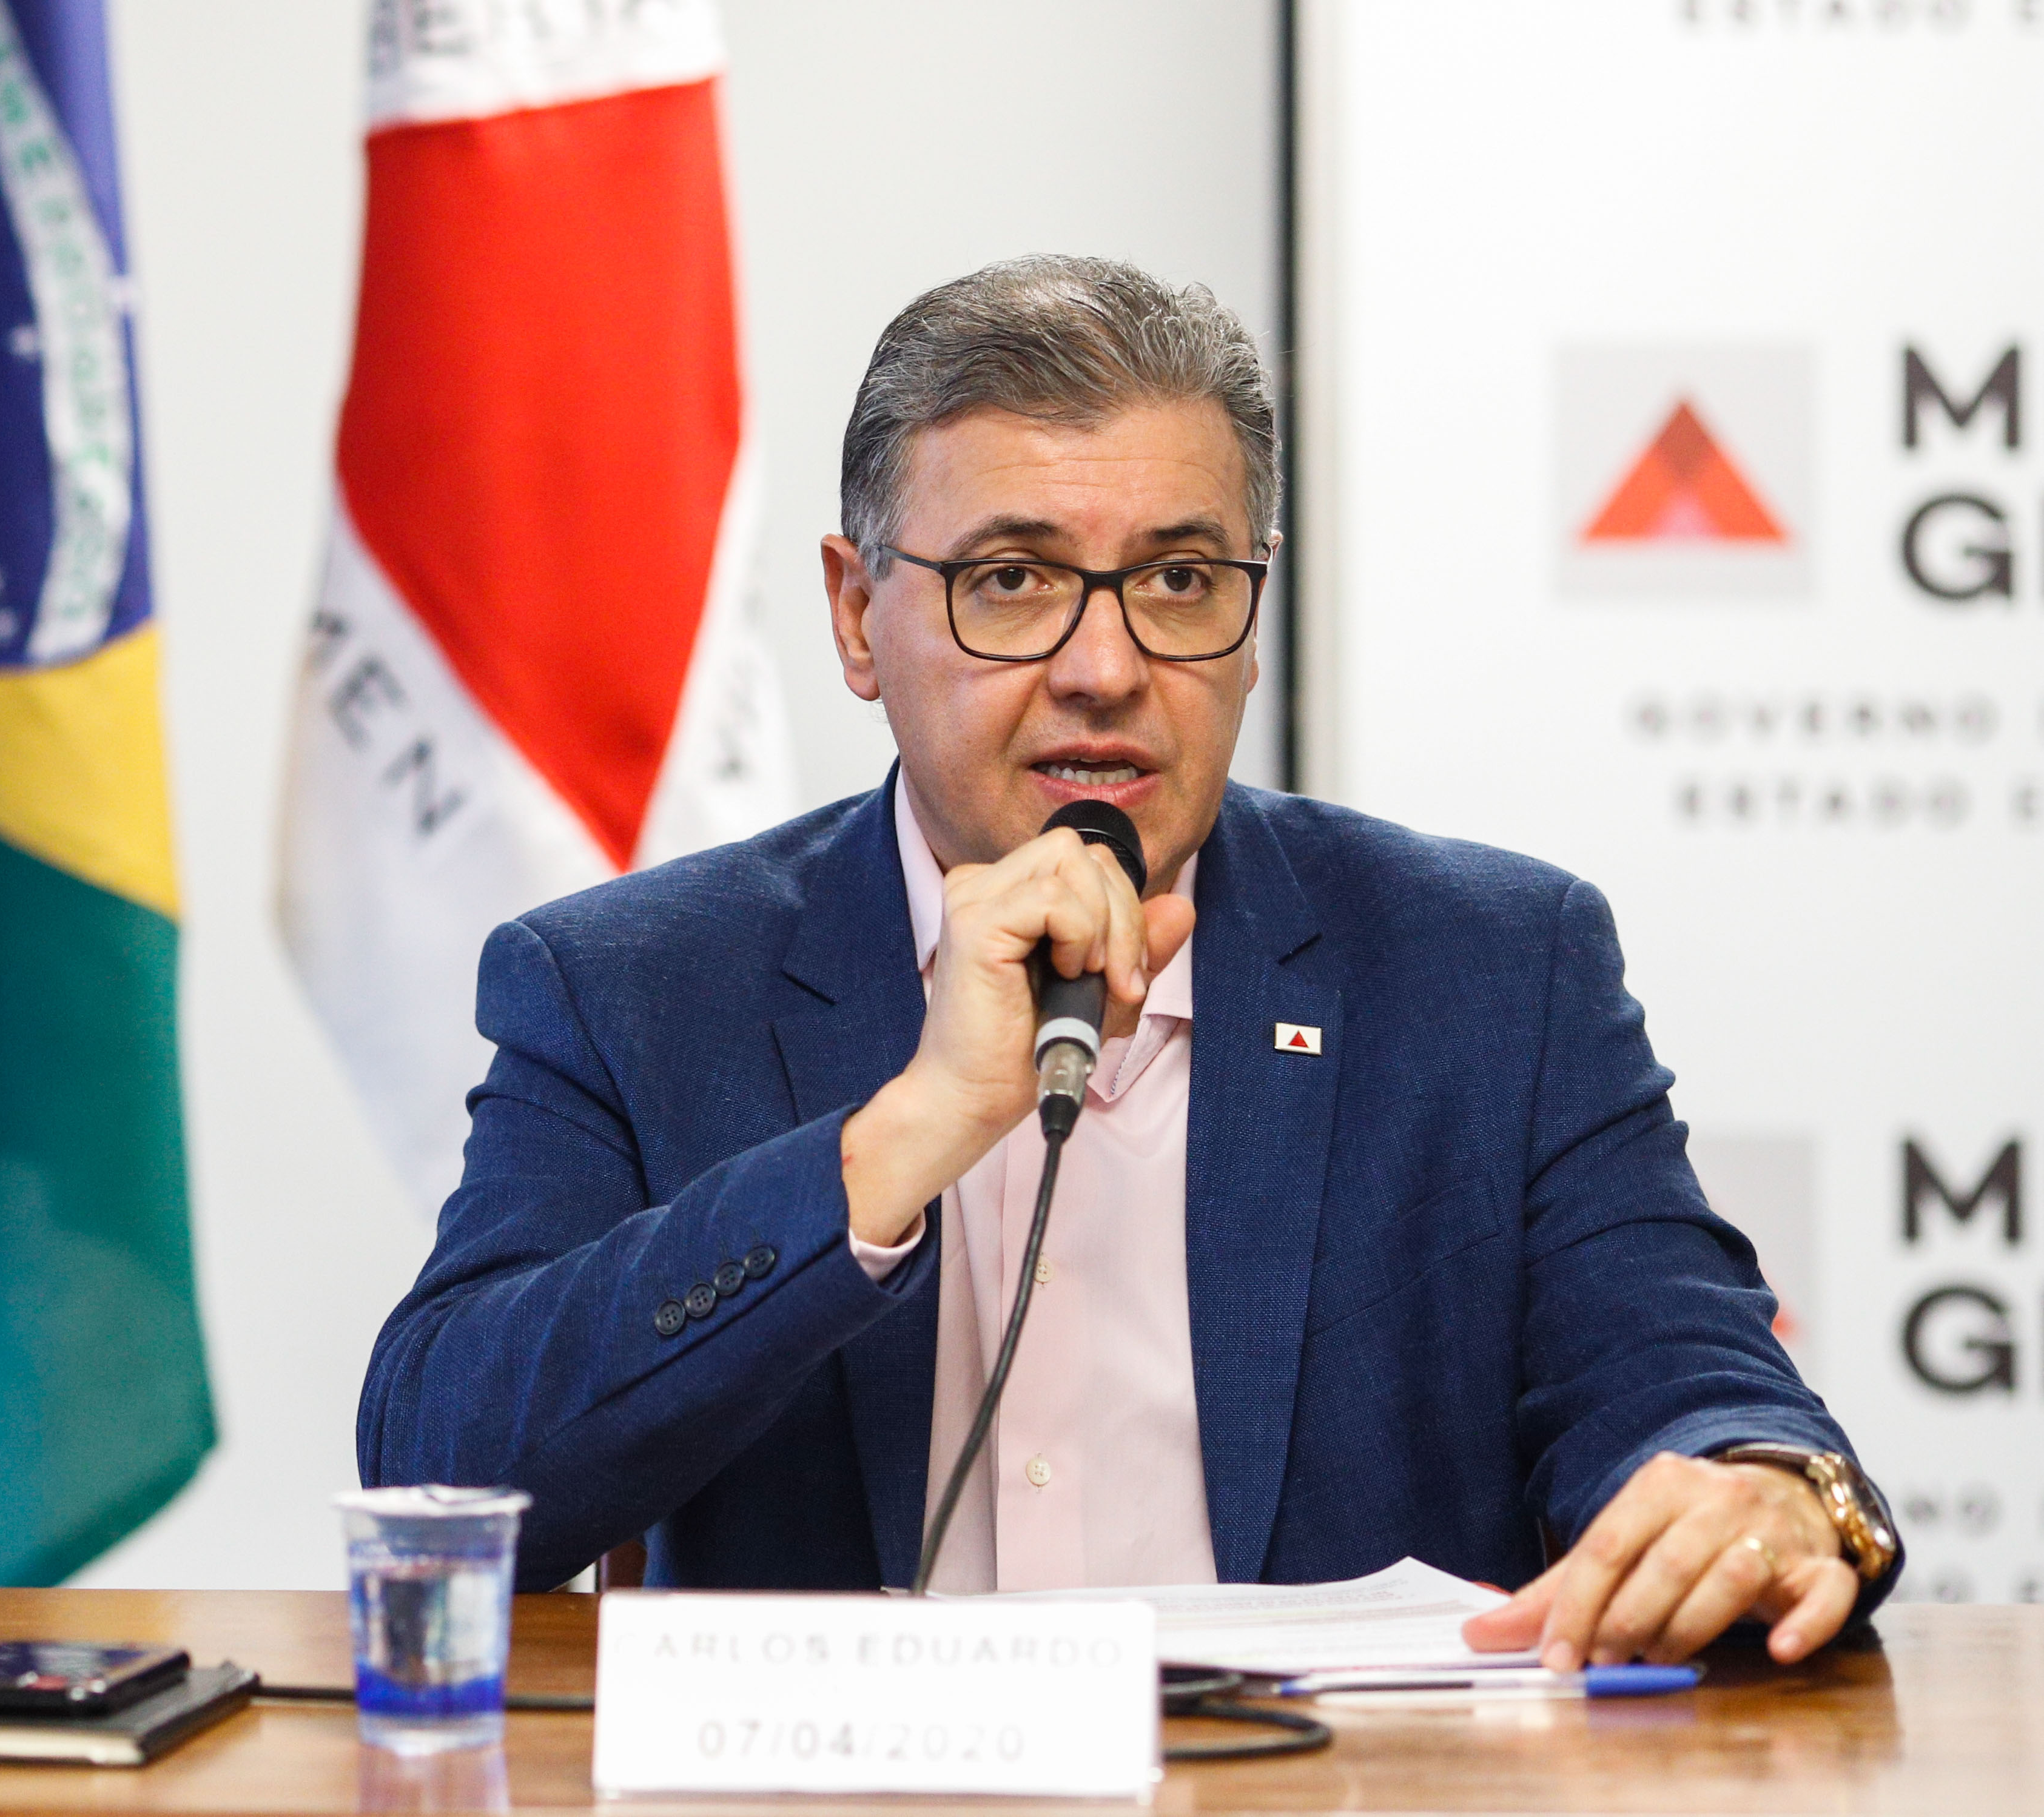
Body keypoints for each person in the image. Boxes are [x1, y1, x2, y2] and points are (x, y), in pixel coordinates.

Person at [357, 256, 1901, 1671]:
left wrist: (1765, 1486)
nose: (1105, 669)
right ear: (857, 613)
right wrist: (899, 1139)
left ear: (1251, 615)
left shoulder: (1495, 970)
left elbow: (1690, 1377)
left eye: (1178, 581)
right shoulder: (633, 984)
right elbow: (439, 1463)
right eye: (1012, 580)